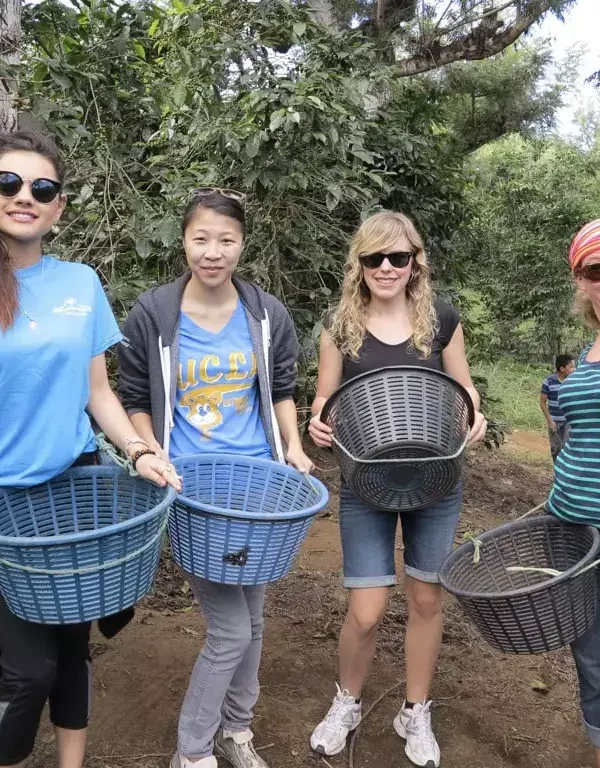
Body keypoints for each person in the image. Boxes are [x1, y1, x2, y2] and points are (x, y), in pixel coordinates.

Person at [0, 131, 180, 768]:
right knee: (26, 671)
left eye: (41, 188)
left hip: (73, 481)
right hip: (5, 503)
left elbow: (97, 391)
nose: (25, 197)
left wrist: (137, 450)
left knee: (70, 644)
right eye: (9, 183)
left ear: (58, 206)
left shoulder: (79, 282)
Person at [118, 187, 313, 768]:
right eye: (201, 238)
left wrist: (294, 448)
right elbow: (134, 396)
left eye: (226, 240)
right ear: (183, 240)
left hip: (256, 483)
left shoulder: (265, 313)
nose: (213, 252)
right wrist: (150, 450)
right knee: (231, 629)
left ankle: (237, 730)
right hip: (192, 489)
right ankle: (193, 751)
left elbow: (281, 389)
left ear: (242, 245)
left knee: (253, 618)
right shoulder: (153, 313)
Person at [307, 211, 487, 768]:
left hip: (436, 477)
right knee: (365, 610)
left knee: (426, 599)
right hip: (366, 479)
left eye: (398, 258)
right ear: (358, 265)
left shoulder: (441, 319)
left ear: (416, 263)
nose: (387, 268)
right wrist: (317, 423)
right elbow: (324, 402)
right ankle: (347, 702)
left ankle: (415, 709)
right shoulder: (340, 325)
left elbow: (464, 390)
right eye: (374, 258)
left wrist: (475, 415)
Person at [546, 219, 600, 768]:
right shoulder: (587, 352)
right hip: (572, 527)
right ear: (581, 281)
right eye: (597, 270)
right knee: (590, 654)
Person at [540, 353, 575, 462]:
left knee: (568, 450)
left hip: (568, 423)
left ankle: (566, 476)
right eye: (571, 367)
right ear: (562, 368)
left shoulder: (573, 382)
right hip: (554, 422)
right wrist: (550, 420)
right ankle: (557, 475)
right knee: (555, 450)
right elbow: (542, 402)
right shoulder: (549, 381)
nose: (574, 369)